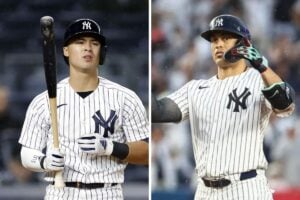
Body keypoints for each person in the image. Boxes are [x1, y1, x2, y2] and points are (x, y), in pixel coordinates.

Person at [152, 14, 295, 199]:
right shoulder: (196, 88)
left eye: (226, 38)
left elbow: (286, 102)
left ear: (244, 44)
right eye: (214, 40)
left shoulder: (257, 80)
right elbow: (161, 111)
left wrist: (262, 66)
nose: (218, 44)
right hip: (205, 190)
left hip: (246, 187)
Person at [18, 18, 149, 200]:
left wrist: (110, 147)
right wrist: (44, 161)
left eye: (94, 43)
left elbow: (147, 153)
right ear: (66, 50)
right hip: (60, 191)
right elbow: (26, 153)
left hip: (107, 192)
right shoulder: (43, 101)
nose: (88, 48)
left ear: (101, 51)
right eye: (80, 42)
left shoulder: (125, 98)